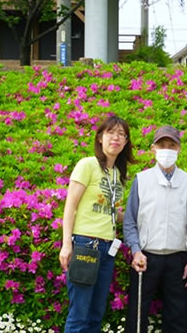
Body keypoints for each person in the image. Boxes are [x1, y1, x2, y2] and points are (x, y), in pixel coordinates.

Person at [59, 116, 135, 333]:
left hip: (107, 249)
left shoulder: (117, 174)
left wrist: (141, 216)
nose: (117, 138)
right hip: (85, 244)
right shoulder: (87, 165)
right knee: (80, 313)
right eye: (112, 132)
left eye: (122, 134)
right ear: (100, 137)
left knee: (96, 313)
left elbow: (113, 213)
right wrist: (67, 245)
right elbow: (70, 206)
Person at [123, 125, 187, 333]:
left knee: (178, 316)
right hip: (146, 258)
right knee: (137, 317)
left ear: (179, 149)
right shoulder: (142, 180)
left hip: (179, 260)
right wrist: (136, 250)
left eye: (171, 145)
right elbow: (129, 221)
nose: (167, 149)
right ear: (153, 149)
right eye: (162, 145)